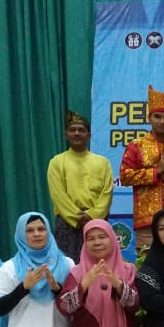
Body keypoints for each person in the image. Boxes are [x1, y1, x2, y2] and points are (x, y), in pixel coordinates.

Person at [119, 85, 164, 251]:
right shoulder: (136, 146)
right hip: (147, 220)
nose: (161, 121)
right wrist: (156, 171)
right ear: (149, 118)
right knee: (147, 261)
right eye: (157, 116)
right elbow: (125, 176)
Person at [46, 110, 114, 260]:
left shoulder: (102, 163)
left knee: (99, 264)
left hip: (97, 221)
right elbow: (58, 195)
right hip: (67, 223)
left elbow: (107, 193)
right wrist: (77, 217)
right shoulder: (57, 162)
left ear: (89, 135)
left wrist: (93, 215)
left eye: (81, 130)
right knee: (69, 266)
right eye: (72, 130)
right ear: (66, 135)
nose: (77, 133)